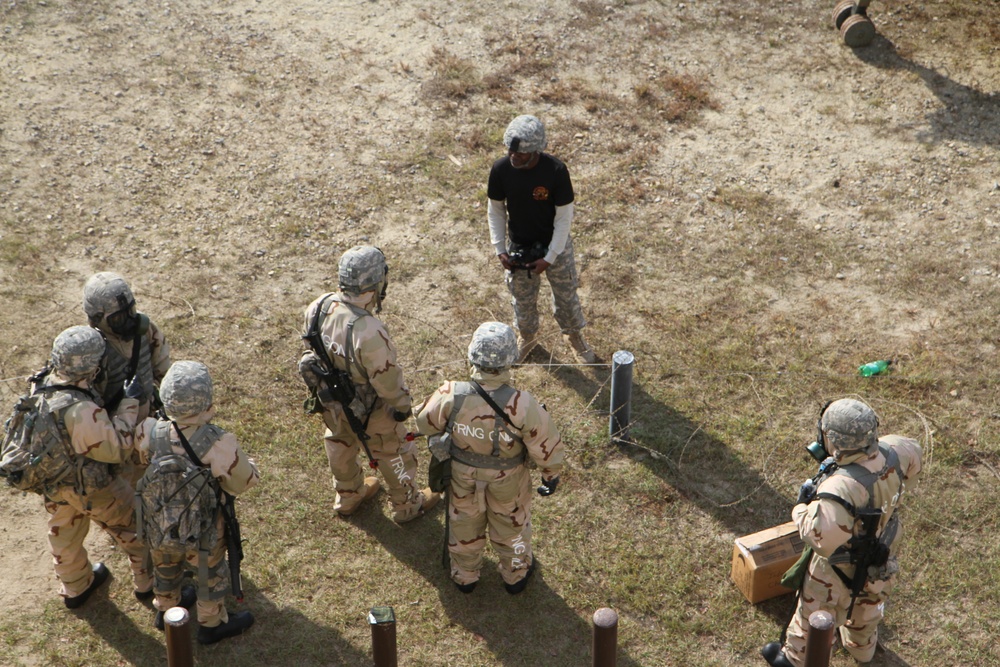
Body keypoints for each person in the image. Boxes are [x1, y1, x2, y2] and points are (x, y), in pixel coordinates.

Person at [761, 399, 923, 667]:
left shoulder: (841, 488)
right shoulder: (899, 448)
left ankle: (795, 659)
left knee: (816, 610)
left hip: (840, 563)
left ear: (833, 439)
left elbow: (823, 540)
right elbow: (913, 473)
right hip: (883, 547)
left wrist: (801, 507)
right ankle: (862, 650)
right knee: (869, 605)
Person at [415, 321, 564, 594]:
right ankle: (516, 575)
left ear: (473, 355)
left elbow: (424, 423)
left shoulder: (451, 393)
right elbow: (545, 443)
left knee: (463, 524)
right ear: (510, 360)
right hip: (508, 480)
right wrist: (550, 475)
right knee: (512, 526)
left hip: (462, 476)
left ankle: (465, 576)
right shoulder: (522, 403)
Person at [299, 245, 439, 522]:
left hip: (330, 401)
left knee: (339, 441)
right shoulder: (369, 331)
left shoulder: (318, 306)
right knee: (392, 451)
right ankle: (407, 504)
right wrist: (402, 407)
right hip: (370, 408)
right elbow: (386, 381)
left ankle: (348, 495)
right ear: (376, 283)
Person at [135, 360, 260, 644]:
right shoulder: (217, 442)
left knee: (165, 564)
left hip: (159, 521)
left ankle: (166, 611)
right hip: (203, 528)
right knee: (208, 573)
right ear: (206, 400)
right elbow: (242, 482)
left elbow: (142, 459)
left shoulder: (149, 430)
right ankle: (211, 623)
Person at [32, 326, 153, 608]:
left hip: (54, 480)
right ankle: (151, 585)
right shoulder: (80, 410)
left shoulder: (41, 384)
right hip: (92, 487)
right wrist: (129, 402)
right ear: (91, 367)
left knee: (64, 533)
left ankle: (75, 587)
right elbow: (115, 448)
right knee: (136, 530)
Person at [487, 114, 596, 364]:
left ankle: (573, 336)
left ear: (536, 150)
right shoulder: (501, 169)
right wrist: (500, 248)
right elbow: (495, 209)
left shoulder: (556, 171)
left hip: (554, 245)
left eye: (521, 153)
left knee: (566, 295)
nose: (514, 156)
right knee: (522, 299)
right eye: (511, 151)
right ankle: (527, 337)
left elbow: (564, 219)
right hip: (519, 246)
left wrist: (550, 257)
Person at [83, 271, 171, 484]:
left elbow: (163, 371)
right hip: (116, 435)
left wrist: (159, 397)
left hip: (150, 427)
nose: (131, 320)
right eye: (120, 318)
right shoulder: (90, 352)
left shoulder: (147, 330)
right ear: (97, 320)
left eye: (131, 310)